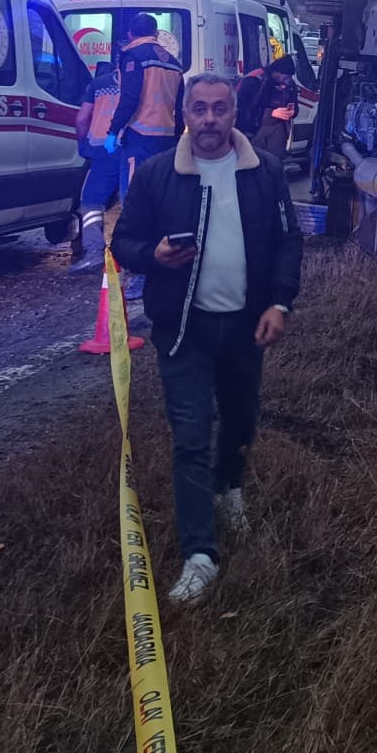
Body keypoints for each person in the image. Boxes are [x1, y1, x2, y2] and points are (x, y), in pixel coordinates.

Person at [111, 72, 302, 604]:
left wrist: (280, 302)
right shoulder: (155, 175)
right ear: (185, 115)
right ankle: (201, 553)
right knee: (190, 435)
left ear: (234, 113)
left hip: (245, 325)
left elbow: (289, 241)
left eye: (220, 109)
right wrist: (154, 256)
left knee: (241, 419)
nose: (210, 120)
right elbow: (124, 239)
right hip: (184, 330)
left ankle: (229, 487)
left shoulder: (264, 171)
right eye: (200, 109)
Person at [106, 13, 184, 189]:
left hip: (140, 134)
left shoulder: (133, 56)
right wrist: (177, 135)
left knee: (135, 189)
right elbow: (180, 106)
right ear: (155, 34)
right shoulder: (174, 63)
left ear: (130, 35)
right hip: (167, 136)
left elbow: (130, 98)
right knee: (160, 188)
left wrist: (113, 130)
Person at [68, 58, 122, 274]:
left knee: (91, 201)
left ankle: (93, 253)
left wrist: (83, 144)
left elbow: (81, 120)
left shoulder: (98, 84)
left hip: (102, 149)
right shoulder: (144, 83)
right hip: (132, 146)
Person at [236, 55, 299, 161]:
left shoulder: (288, 87)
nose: (286, 80)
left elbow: (295, 108)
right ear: (277, 72)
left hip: (276, 136)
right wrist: (271, 114)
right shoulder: (254, 81)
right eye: (286, 76)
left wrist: (292, 111)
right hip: (251, 132)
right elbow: (242, 108)